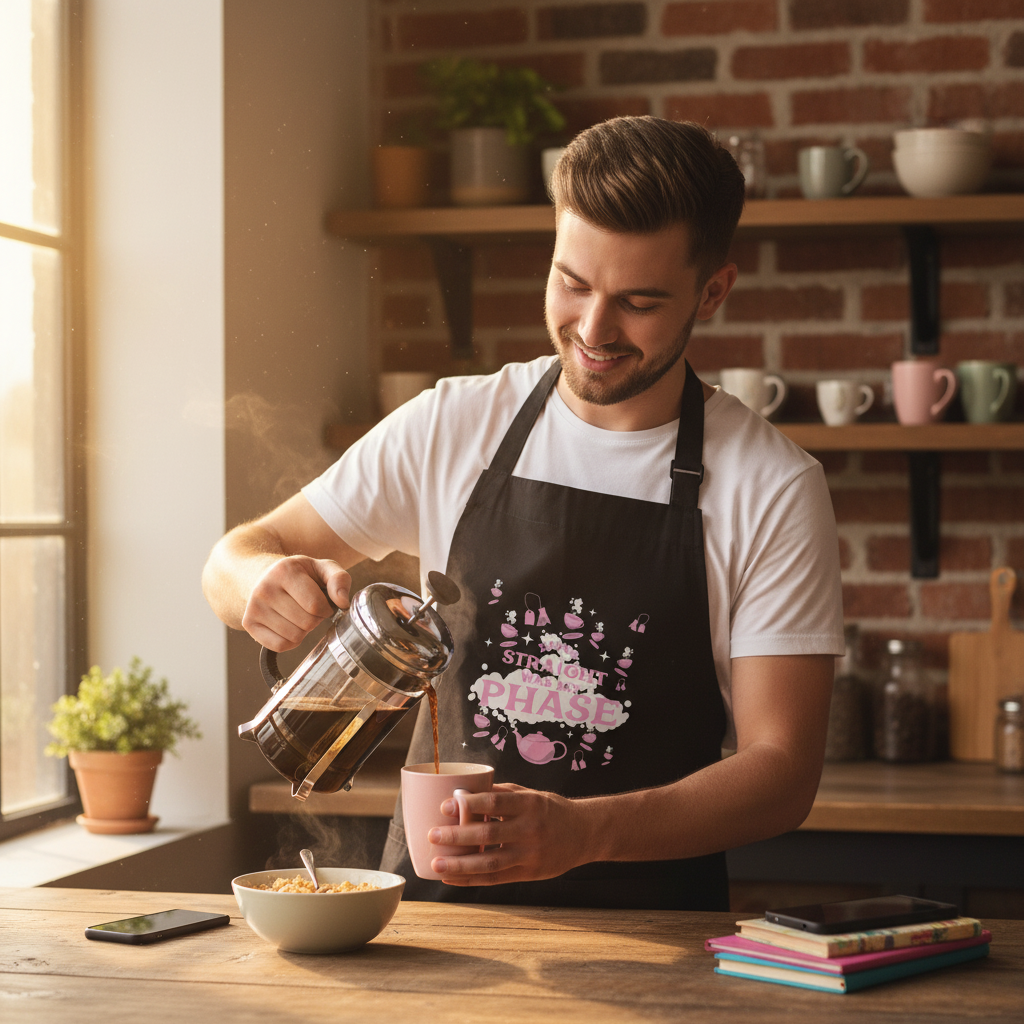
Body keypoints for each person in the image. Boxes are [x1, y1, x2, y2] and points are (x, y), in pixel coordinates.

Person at [203, 116, 844, 911]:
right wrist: (260, 581)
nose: (594, 329)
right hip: (435, 928)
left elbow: (783, 774)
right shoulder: (453, 424)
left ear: (713, 290)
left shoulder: (772, 486)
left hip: (652, 936)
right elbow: (235, 557)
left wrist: (584, 833)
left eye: (638, 301)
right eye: (572, 283)